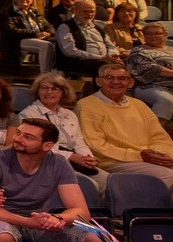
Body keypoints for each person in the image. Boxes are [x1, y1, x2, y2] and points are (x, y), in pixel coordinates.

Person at [0, 118, 108, 242]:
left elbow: (82, 212)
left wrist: (57, 218)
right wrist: (29, 222)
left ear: (47, 146)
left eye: (28, 137)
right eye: (18, 133)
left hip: (39, 219)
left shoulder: (58, 162)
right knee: (3, 238)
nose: (18, 139)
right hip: (1, 217)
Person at [77, 63, 173, 191]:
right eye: (109, 77)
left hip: (146, 159)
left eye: (122, 78)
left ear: (131, 83)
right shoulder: (86, 106)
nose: (116, 82)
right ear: (99, 81)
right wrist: (140, 155)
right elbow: (96, 145)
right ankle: (144, 210)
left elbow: (160, 137)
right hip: (111, 162)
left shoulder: (140, 105)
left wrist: (157, 154)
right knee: (167, 176)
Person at [22, 72, 108, 193]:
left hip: (75, 160)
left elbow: (78, 141)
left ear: (63, 92)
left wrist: (88, 157)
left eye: (55, 89)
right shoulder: (29, 114)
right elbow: (39, 147)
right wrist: (73, 157)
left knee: (110, 182)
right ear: (38, 91)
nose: (49, 92)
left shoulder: (70, 114)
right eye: (44, 88)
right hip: (48, 161)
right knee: (91, 186)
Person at [55, 0, 121, 78]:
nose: (89, 14)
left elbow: (110, 45)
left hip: (104, 60)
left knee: (130, 63)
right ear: (75, 11)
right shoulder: (66, 27)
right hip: (78, 62)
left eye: (92, 11)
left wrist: (112, 56)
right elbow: (71, 52)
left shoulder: (98, 28)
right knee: (104, 67)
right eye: (85, 11)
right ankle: (103, 89)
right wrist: (101, 58)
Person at [0, 0, 54, 75]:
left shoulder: (34, 13)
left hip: (37, 38)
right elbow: (11, 30)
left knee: (57, 43)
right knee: (46, 45)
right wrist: (35, 34)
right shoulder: (8, 13)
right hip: (16, 41)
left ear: (32, 0)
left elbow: (49, 26)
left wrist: (48, 33)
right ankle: (45, 74)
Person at [128, 22, 173, 121]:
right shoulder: (139, 51)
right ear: (144, 36)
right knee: (166, 100)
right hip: (149, 86)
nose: (152, 36)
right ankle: (154, 132)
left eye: (157, 33)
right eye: (148, 34)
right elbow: (151, 69)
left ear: (166, 36)